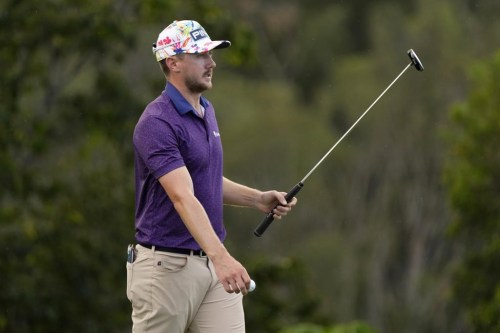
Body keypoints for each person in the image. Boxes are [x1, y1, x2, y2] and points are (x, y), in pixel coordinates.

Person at [127, 20, 297, 333]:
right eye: (201, 55)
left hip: (211, 268)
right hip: (164, 270)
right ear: (173, 62)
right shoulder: (156, 122)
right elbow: (182, 195)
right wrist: (223, 259)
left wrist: (256, 199)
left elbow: (205, 180)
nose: (212, 62)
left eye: (211, 54)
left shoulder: (207, 111)